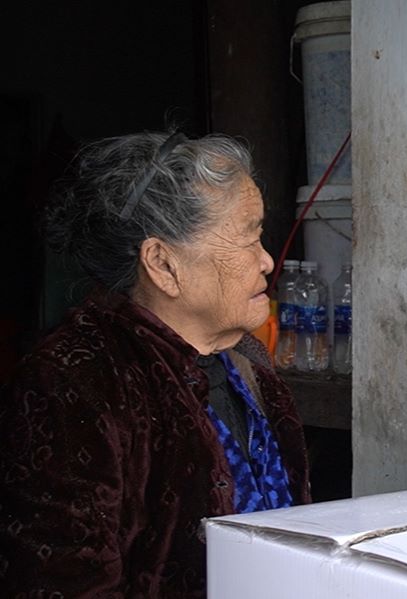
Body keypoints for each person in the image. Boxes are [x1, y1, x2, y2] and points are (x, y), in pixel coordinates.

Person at [0, 131, 311, 596]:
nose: (266, 260)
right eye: (247, 237)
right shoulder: (73, 380)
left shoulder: (247, 361)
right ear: (163, 265)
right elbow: (64, 580)